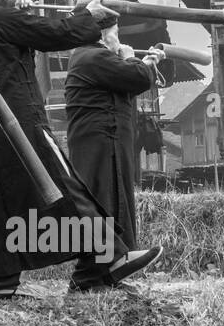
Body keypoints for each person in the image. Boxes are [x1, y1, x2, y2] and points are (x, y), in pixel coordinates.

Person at [0, 0, 161, 296]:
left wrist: (21, 13)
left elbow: (29, 35)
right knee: (68, 186)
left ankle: (4, 282)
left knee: (7, 198)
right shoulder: (0, 16)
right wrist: (91, 17)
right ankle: (108, 257)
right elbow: (55, 34)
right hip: (20, 118)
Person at [65, 24, 163, 251]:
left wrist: (148, 63)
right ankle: (103, 266)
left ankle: (115, 264)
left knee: (107, 201)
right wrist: (132, 59)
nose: (119, 40)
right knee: (105, 202)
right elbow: (136, 77)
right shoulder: (94, 56)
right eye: (116, 34)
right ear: (103, 35)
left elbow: (127, 81)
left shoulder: (89, 57)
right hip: (101, 141)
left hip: (102, 140)